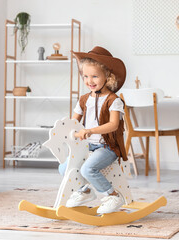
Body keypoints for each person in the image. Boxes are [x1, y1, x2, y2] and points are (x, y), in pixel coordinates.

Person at [58, 46, 128, 214]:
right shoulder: (84, 100)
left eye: (95, 76)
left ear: (108, 76)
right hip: (87, 146)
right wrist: (67, 132)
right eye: (86, 76)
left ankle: (112, 195)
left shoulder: (113, 100)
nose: (90, 81)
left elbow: (113, 125)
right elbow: (74, 121)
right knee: (63, 168)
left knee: (87, 169)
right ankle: (85, 191)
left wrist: (89, 130)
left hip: (107, 147)